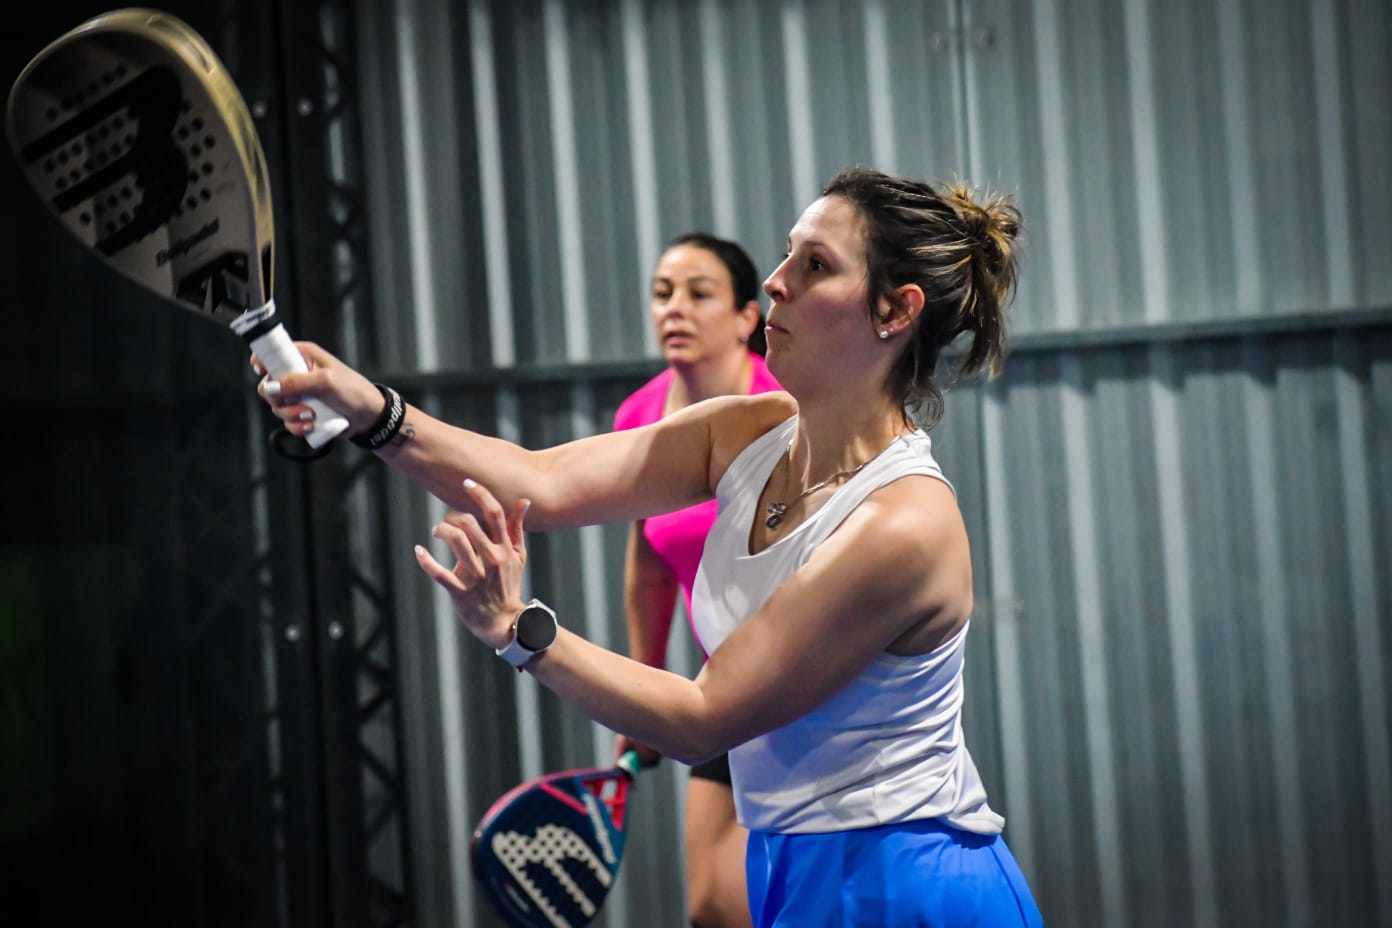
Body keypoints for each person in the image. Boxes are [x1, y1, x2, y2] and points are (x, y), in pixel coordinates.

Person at [254, 166, 1043, 926]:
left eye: (814, 264)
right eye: (785, 254)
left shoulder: (902, 524)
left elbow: (703, 717)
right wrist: (369, 410)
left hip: (907, 887)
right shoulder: (746, 435)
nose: (775, 281)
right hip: (795, 862)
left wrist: (519, 630)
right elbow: (541, 480)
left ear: (893, 311)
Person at [612, 232, 780, 928]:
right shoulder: (640, 417)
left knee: (772, 901)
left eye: (698, 293)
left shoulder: (787, 413)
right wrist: (641, 688)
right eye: (663, 293)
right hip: (721, 692)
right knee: (712, 907)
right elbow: (649, 562)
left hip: (803, 686)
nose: (674, 308)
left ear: (747, 318)